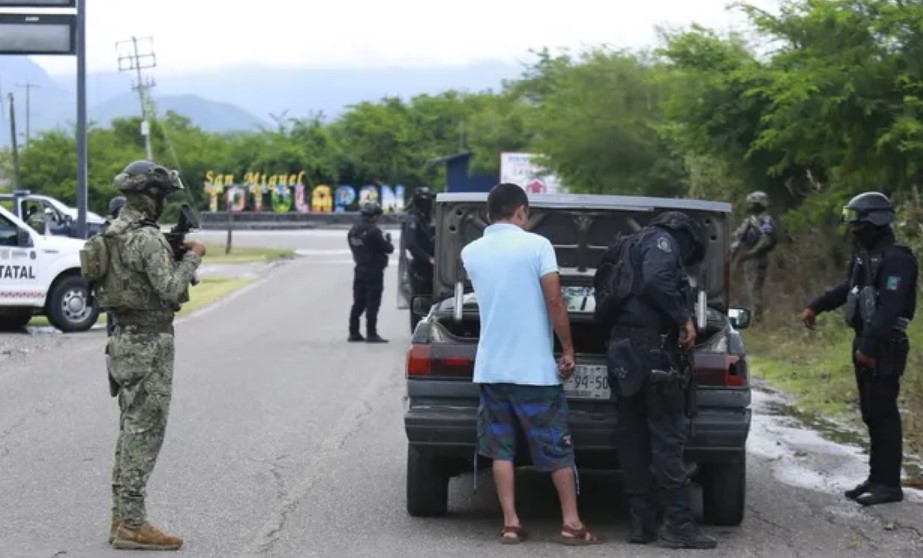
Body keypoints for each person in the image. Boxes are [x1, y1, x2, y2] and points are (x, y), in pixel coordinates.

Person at [461, 183, 603, 546]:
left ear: (489, 213)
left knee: (501, 449)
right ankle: (571, 523)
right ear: (521, 211)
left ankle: (510, 523)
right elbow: (555, 299)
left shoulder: (470, 251)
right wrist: (568, 347)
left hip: (492, 369)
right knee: (556, 447)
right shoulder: (537, 245)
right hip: (534, 372)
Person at [87, 160, 205, 550]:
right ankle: (133, 524)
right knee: (146, 433)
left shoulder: (113, 232)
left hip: (121, 338)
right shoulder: (147, 239)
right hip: (149, 342)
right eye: (162, 196)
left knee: (130, 430)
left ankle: (122, 517)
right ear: (151, 196)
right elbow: (170, 290)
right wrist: (193, 255)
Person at [593, 210, 717, 549]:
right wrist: (684, 319)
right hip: (651, 352)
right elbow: (655, 280)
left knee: (631, 436)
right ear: (685, 236)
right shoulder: (662, 242)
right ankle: (677, 525)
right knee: (667, 437)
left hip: (622, 350)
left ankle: (641, 525)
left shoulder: (625, 245)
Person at [803, 192, 917, 506]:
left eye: (858, 220)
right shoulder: (866, 256)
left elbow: (891, 306)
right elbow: (848, 289)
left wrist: (868, 344)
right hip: (865, 341)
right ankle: (876, 477)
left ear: (875, 222)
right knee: (870, 413)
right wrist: (817, 306)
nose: (853, 227)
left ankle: (889, 484)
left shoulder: (897, 259)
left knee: (884, 413)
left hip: (885, 344)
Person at [348, 200, 394, 343]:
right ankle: (371, 333)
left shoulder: (353, 230)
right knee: (373, 303)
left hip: (359, 269)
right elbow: (388, 248)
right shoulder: (374, 230)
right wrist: (388, 240)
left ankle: (353, 332)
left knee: (358, 302)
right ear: (374, 216)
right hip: (374, 270)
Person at [730, 191, 777, 323]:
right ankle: (756, 318)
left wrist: (750, 253)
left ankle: (757, 320)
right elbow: (738, 236)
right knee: (752, 289)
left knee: (754, 289)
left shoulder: (765, 220)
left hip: (757, 258)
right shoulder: (752, 220)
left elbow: (766, 240)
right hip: (751, 257)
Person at [402, 187, 435, 332]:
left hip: (427, 267)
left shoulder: (424, 218)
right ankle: (417, 332)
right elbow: (411, 245)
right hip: (419, 267)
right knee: (419, 301)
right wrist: (429, 259)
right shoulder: (413, 219)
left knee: (427, 301)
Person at [102, 196, 127, 338]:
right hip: (120, 282)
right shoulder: (120, 229)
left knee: (113, 325)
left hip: (111, 284)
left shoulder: (105, 228)